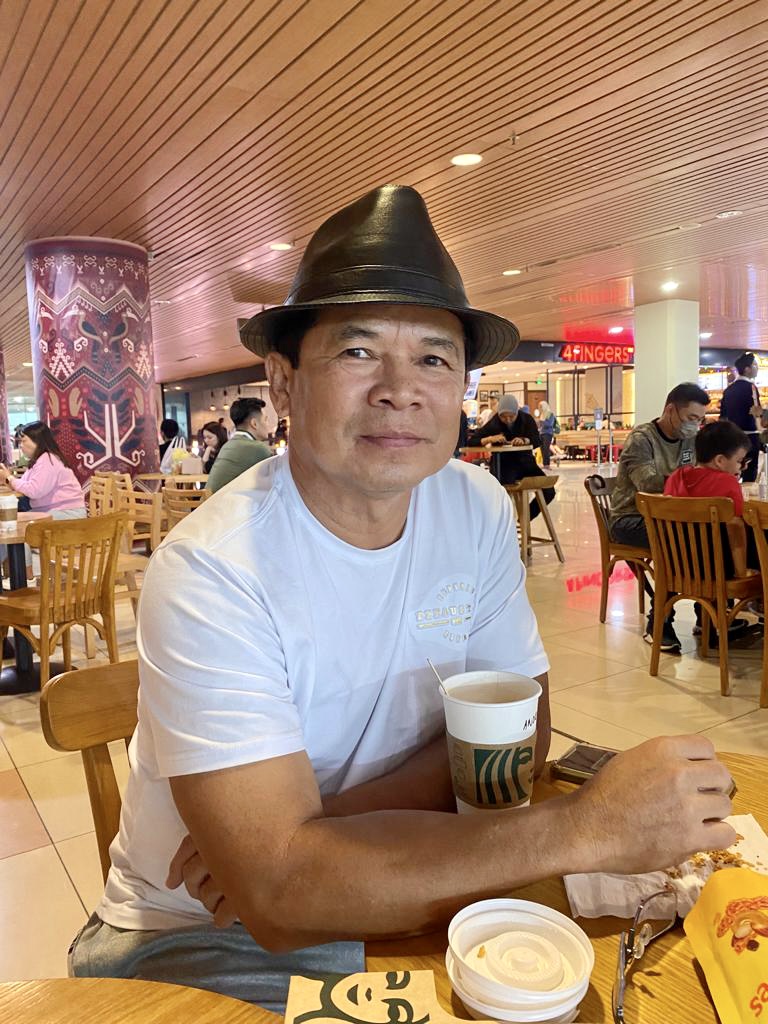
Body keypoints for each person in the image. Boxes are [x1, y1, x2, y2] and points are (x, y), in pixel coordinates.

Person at [69, 185, 734, 1009]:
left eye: (433, 359)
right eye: (357, 352)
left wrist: (314, 839)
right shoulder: (213, 568)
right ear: (283, 383)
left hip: (400, 877)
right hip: (197, 931)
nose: (399, 389)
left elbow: (515, 741)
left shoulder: (473, 506)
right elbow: (275, 904)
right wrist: (587, 826)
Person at [610, 382, 710, 652]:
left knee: (711, 534)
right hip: (629, 518)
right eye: (691, 418)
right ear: (670, 410)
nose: (695, 425)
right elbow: (649, 483)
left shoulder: (689, 440)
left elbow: (697, 474)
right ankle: (660, 622)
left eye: (700, 420)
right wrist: (693, 482)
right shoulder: (642, 439)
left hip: (672, 517)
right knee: (679, 541)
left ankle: (708, 617)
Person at [665, 420, 756, 578]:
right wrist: (741, 572)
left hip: (678, 567)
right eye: (740, 461)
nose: (744, 466)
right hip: (717, 569)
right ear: (720, 461)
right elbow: (737, 526)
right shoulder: (727, 482)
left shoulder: (676, 477)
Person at [468, 393, 555, 520]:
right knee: (502, 494)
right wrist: (490, 439)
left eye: (511, 416)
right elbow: (471, 441)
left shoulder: (526, 419)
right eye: (503, 417)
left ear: (517, 412)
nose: (508, 420)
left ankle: (525, 518)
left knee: (549, 491)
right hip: (503, 466)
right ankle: (505, 523)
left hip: (527, 465)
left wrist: (524, 440)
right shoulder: (495, 422)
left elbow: (537, 440)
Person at [0, 421, 85, 518]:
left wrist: (9, 478)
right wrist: (6, 479)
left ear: (37, 441)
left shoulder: (48, 459)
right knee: (10, 517)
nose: (21, 445)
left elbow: (34, 491)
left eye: (24, 441)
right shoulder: (39, 460)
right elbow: (24, 486)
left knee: (13, 519)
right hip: (53, 510)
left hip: (67, 512)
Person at [207, 398, 272, 493]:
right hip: (225, 502)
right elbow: (279, 480)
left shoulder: (228, 445)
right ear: (254, 423)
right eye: (265, 420)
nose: (268, 424)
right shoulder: (257, 448)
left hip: (210, 501)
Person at [720, 352, 763, 483]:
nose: (757, 368)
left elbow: (723, 417)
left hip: (732, 438)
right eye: (754, 365)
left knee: (735, 471)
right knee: (750, 472)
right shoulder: (751, 388)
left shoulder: (728, 390)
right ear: (747, 369)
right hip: (750, 437)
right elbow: (757, 413)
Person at [538, 400, 557, 467]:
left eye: (540, 406)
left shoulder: (549, 413)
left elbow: (550, 424)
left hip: (548, 433)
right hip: (541, 433)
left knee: (546, 448)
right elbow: (540, 425)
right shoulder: (542, 414)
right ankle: (544, 464)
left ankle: (547, 464)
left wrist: (542, 422)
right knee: (542, 449)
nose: (539, 408)